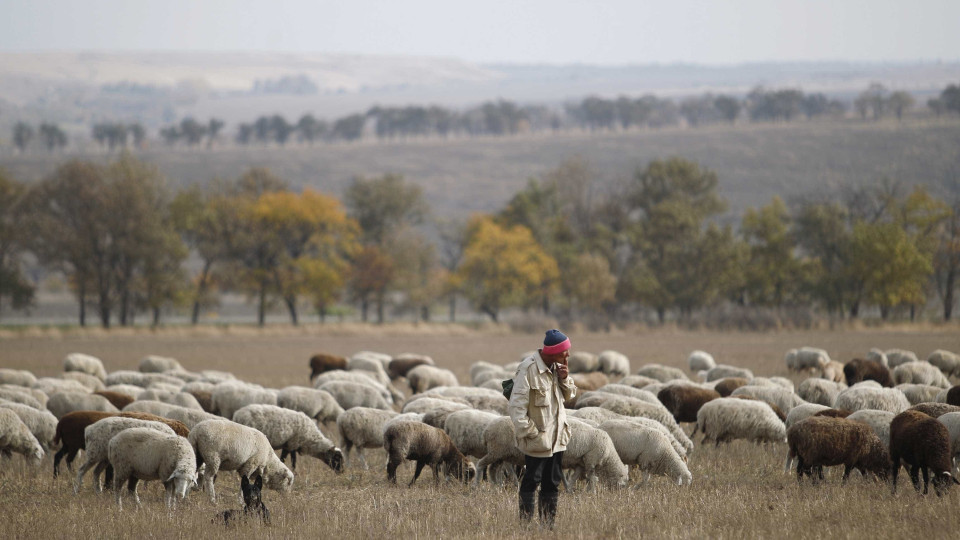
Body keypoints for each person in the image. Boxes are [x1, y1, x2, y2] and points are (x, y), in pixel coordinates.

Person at [507, 329, 577, 529]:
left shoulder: (556, 368)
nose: (568, 355)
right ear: (554, 351)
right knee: (531, 481)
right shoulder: (528, 369)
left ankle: (547, 526)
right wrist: (530, 433)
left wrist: (564, 378)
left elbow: (569, 396)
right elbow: (516, 407)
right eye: (565, 351)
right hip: (538, 438)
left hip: (556, 439)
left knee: (552, 483)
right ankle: (526, 526)